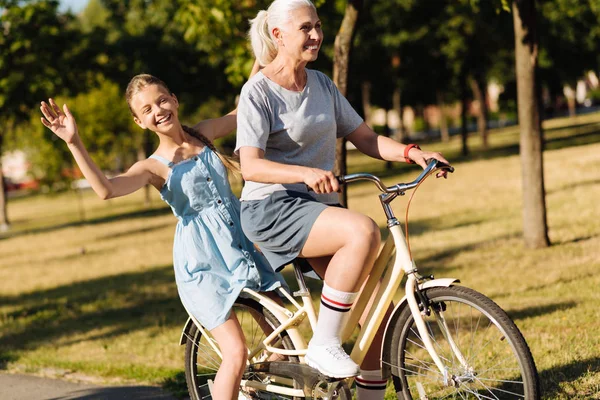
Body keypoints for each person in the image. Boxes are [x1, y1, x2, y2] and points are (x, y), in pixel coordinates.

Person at [235, 0, 450, 398]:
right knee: (362, 231)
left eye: (318, 25)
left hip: (316, 209)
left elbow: (366, 138)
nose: (316, 34)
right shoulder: (257, 92)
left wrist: (412, 152)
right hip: (270, 209)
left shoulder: (322, 85)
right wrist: (305, 173)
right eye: (306, 28)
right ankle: (323, 346)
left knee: (377, 315)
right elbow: (251, 166)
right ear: (278, 35)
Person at [39, 69, 287, 400]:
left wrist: (262, 62)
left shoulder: (204, 134)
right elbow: (106, 190)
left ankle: (252, 390)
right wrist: (74, 142)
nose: (159, 111)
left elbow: (241, 110)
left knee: (284, 340)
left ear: (174, 99)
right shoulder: (153, 167)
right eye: (147, 110)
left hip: (241, 250)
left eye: (162, 100)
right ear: (140, 122)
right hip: (204, 266)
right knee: (236, 352)